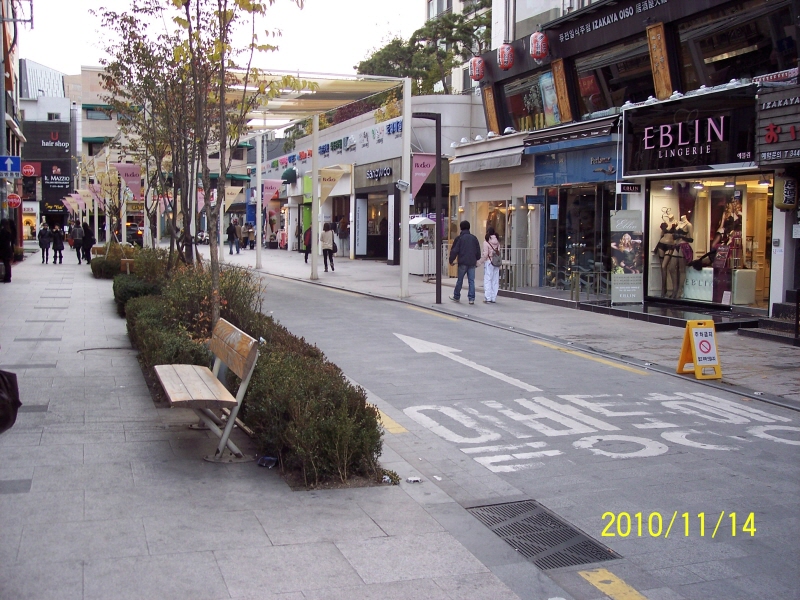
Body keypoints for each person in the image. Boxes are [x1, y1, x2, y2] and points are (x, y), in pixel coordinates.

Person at [448, 220, 481, 305]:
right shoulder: (474, 238)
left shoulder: (459, 238)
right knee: (471, 281)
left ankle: (456, 296)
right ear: (469, 228)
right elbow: (478, 250)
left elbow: (454, 250)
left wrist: (451, 260)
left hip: (462, 262)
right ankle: (471, 298)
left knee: (460, 280)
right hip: (472, 262)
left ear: (461, 228)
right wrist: (477, 258)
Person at [478, 227, 501, 303]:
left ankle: (488, 298)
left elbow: (485, 254)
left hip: (489, 262)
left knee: (488, 280)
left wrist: (479, 262)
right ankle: (493, 298)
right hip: (496, 263)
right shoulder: (497, 242)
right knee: (495, 280)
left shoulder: (486, 242)